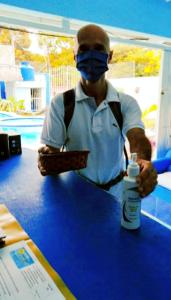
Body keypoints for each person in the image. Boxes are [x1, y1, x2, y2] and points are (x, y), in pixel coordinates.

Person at [38, 24, 157, 201]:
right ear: (75, 56)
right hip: (75, 196)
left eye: (99, 49)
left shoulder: (125, 104)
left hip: (116, 197)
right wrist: (47, 158)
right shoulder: (61, 105)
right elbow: (52, 158)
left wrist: (142, 161)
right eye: (84, 49)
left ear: (109, 56)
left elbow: (137, 137)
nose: (91, 55)